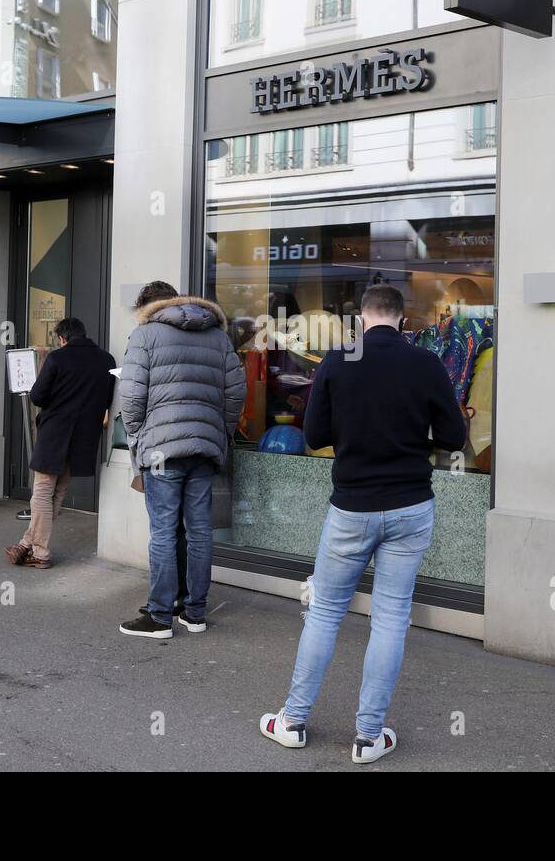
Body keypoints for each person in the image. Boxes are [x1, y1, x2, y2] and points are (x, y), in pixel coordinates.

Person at [259, 284, 465, 764]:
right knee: (391, 619)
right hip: (411, 505)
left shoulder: (338, 359)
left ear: (363, 319)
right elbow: (454, 436)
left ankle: (291, 721)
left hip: (352, 505)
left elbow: (314, 434)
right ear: (401, 319)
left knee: (326, 612)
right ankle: (369, 736)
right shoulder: (426, 364)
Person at [117, 282, 245, 640]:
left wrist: (140, 436)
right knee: (199, 530)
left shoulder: (145, 335)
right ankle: (195, 612)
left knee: (162, 532)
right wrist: (220, 432)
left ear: (147, 308)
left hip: (160, 451)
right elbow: (236, 391)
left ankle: (159, 616)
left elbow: (131, 395)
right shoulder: (217, 337)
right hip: (203, 449)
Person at [5, 317, 116, 570]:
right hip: (84, 436)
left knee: (42, 491)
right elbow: (108, 399)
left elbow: (38, 396)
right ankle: (27, 544)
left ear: (62, 338)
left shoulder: (57, 358)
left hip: (55, 433)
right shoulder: (107, 361)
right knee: (58, 492)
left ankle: (41, 552)